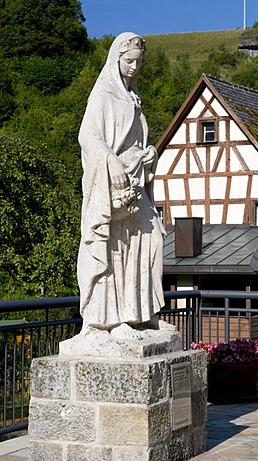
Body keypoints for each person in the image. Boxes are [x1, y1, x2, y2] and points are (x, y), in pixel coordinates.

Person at [77, 32, 167, 339]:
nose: (133, 67)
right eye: (129, 61)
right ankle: (112, 321)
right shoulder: (103, 95)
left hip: (136, 180)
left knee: (151, 242)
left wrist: (150, 152)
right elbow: (87, 137)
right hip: (112, 182)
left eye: (138, 62)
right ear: (116, 59)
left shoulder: (134, 99)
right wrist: (110, 162)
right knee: (116, 249)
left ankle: (143, 315)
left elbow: (136, 141)